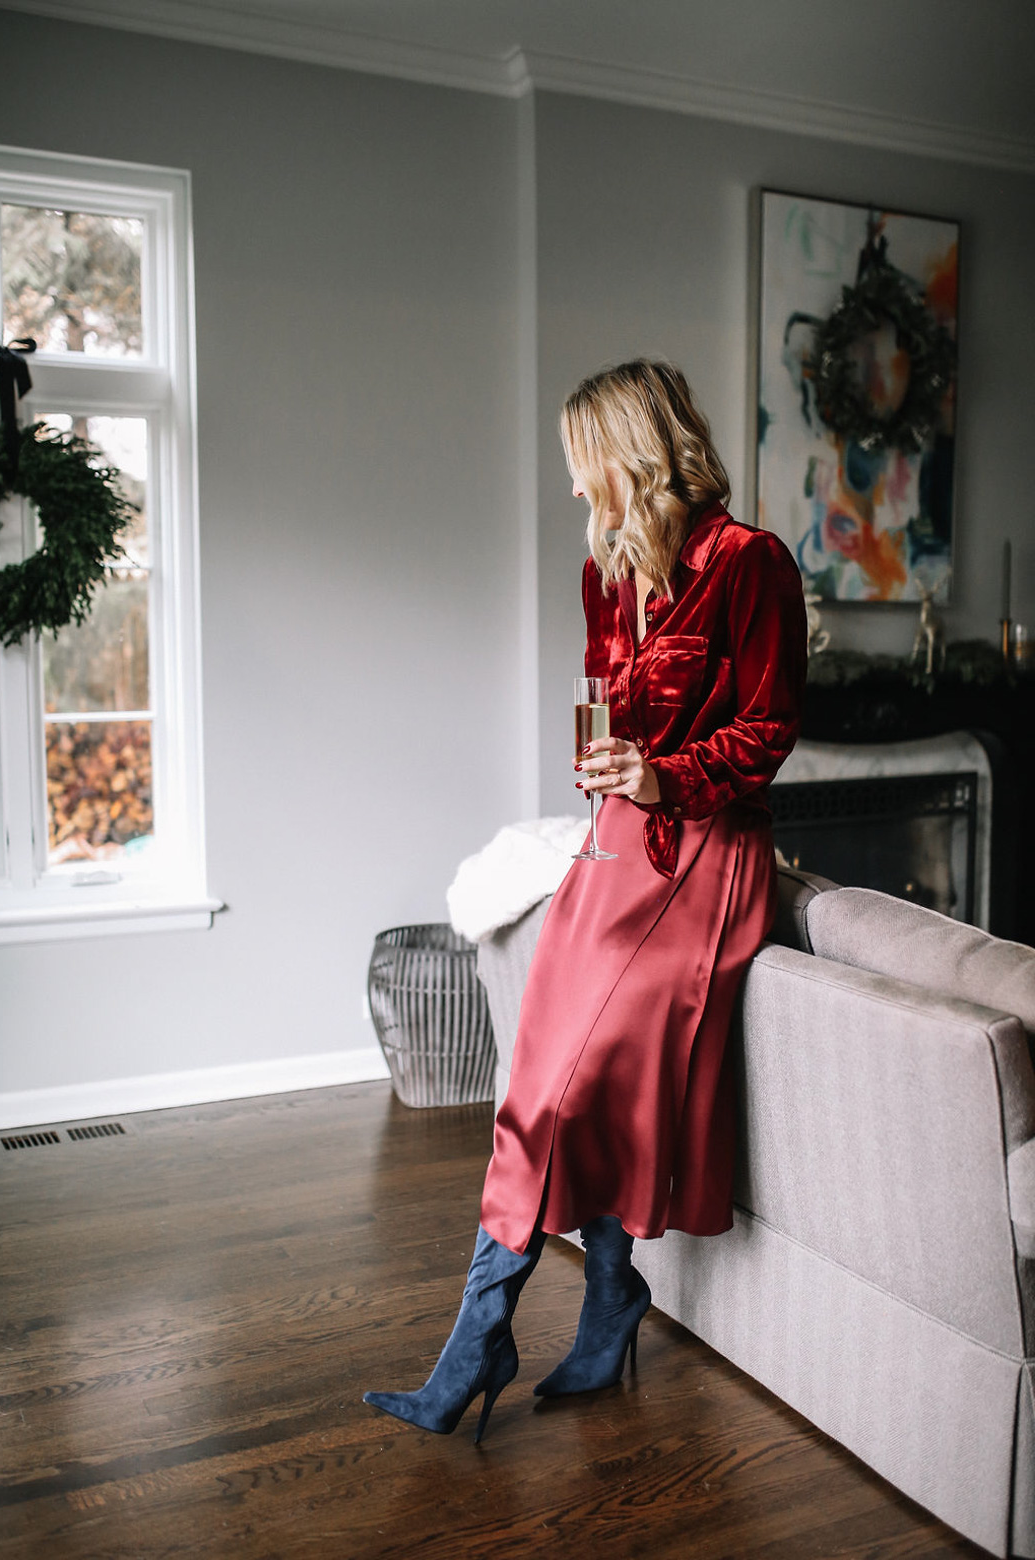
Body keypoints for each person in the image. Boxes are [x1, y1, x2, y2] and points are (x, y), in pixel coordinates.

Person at [364, 358, 808, 1442]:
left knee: (559, 1093)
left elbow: (768, 729)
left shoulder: (750, 563)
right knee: (544, 1075)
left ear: (629, 456)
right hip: (613, 850)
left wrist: (665, 777)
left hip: (700, 859)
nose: (572, 491)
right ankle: (602, 1298)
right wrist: (597, 755)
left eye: (580, 467)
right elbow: (593, 692)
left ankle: (477, 1341)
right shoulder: (606, 571)